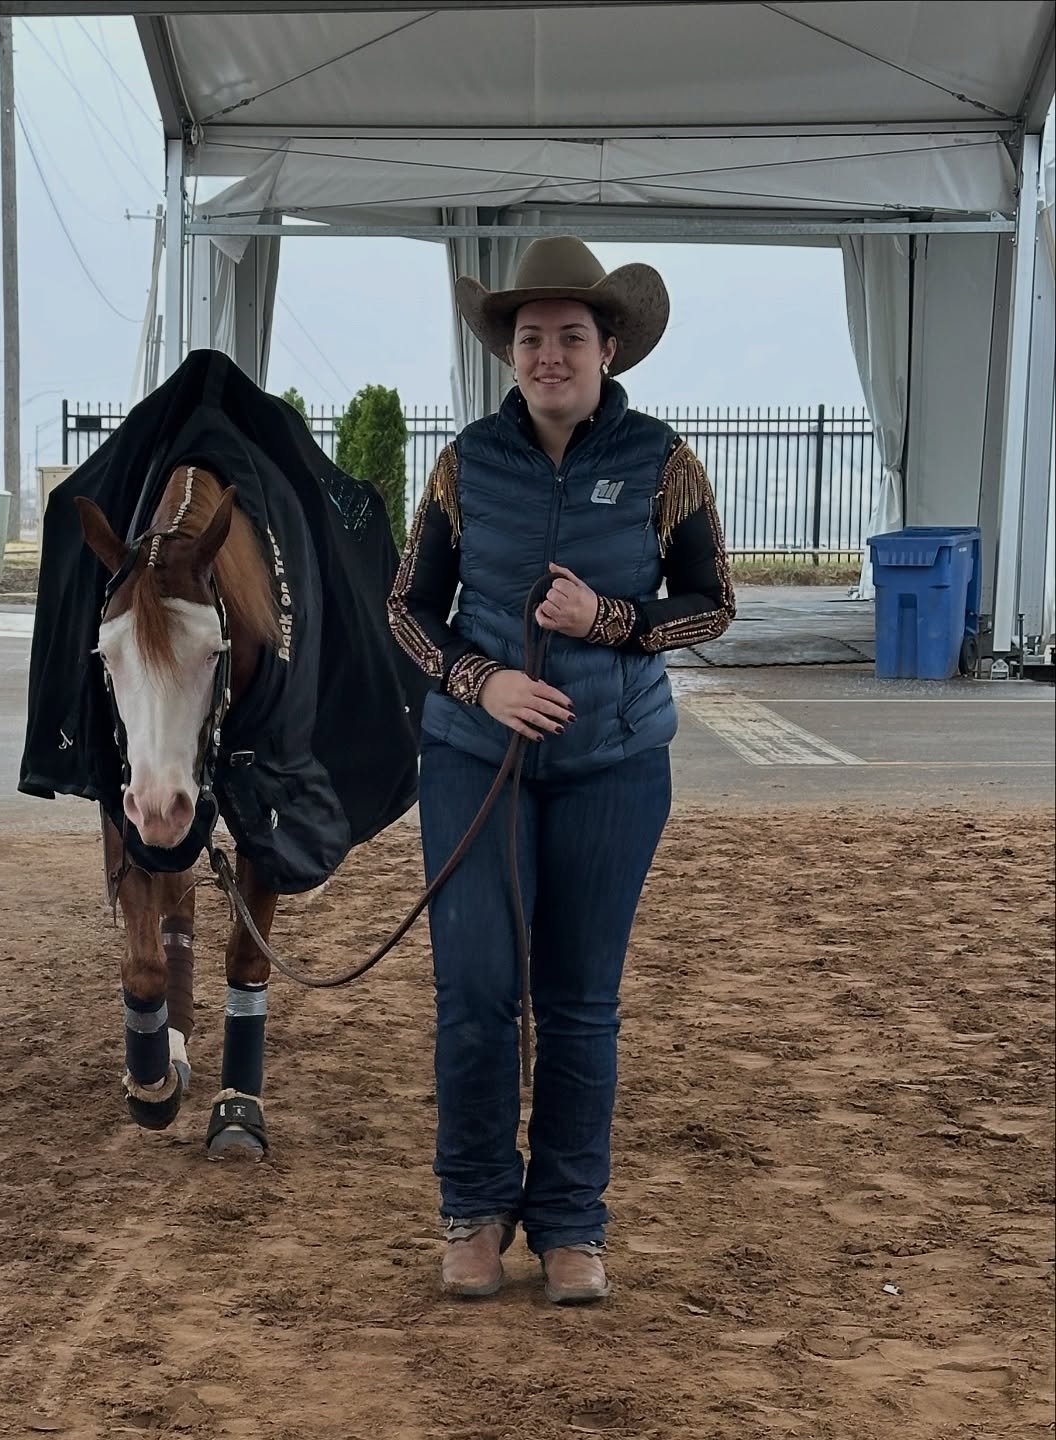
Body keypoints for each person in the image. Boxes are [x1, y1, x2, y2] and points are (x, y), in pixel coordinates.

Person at [387, 236, 735, 1304]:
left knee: (581, 1002)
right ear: (509, 351)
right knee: (478, 993)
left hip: (614, 767)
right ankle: (474, 1213)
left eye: (570, 337)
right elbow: (408, 607)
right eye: (531, 338)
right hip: (473, 761)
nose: (550, 356)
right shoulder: (465, 464)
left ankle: (573, 1224)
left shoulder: (663, 462)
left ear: (609, 347)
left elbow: (713, 604)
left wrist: (611, 619)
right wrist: (480, 681)